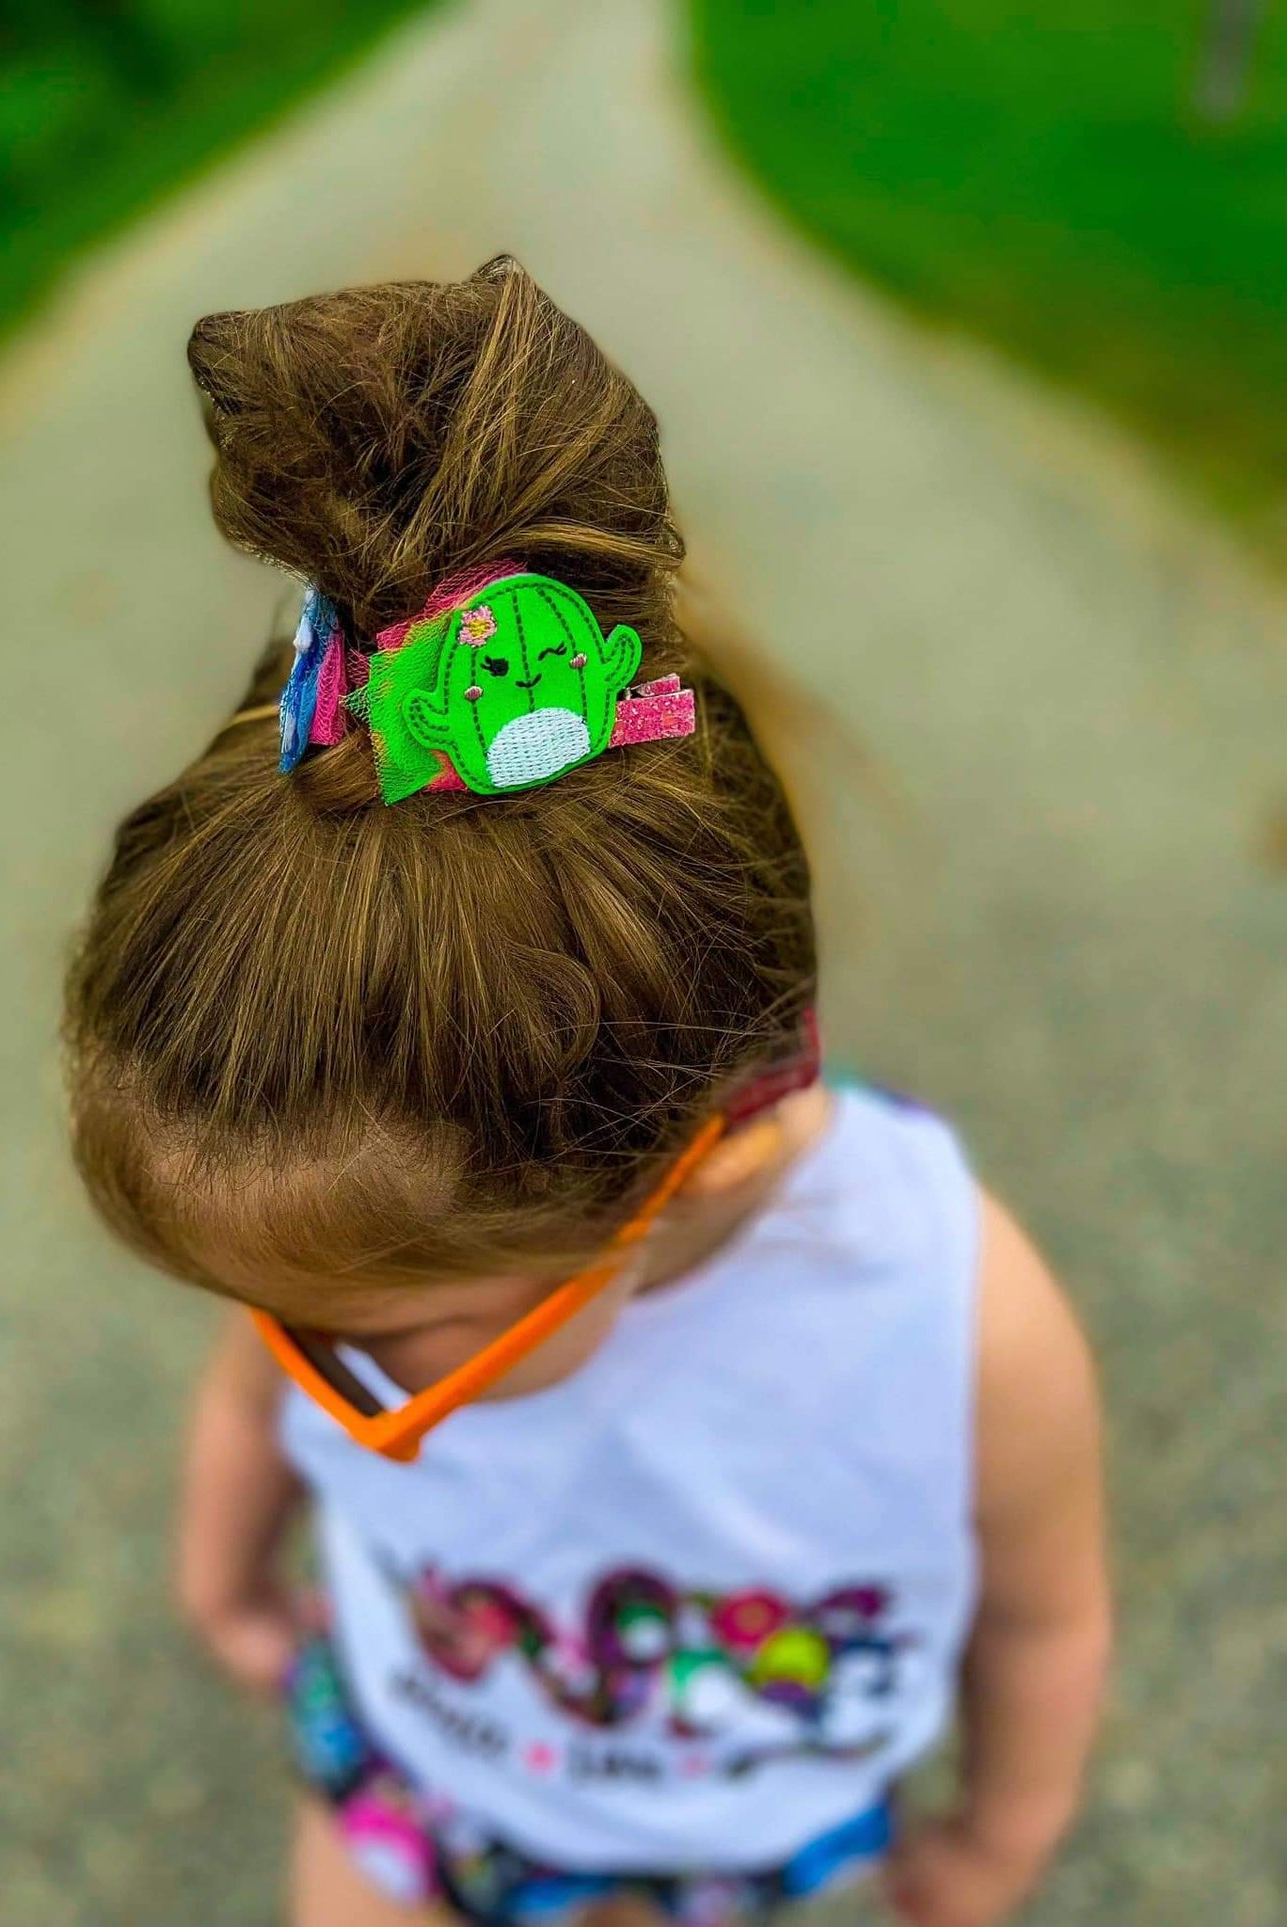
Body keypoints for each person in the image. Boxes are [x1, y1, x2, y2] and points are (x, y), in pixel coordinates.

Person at [64, 259, 1110, 1927]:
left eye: (394, 1356)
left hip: (740, 1833)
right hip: (421, 1766)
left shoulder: (951, 1317)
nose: (330, 1379)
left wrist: (994, 1837)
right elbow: (246, 1403)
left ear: (692, 1156)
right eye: (282, 1322)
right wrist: (223, 1577)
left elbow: (1040, 1617)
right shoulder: (367, 1279)